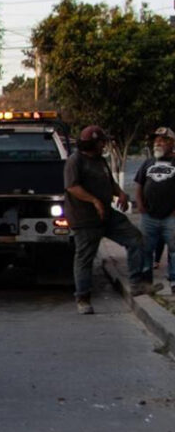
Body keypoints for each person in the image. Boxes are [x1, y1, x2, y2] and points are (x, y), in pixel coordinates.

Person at [65, 125, 149, 315]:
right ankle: (83, 298)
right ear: (94, 143)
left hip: (107, 216)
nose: (104, 145)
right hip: (85, 219)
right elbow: (72, 187)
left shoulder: (100, 160)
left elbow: (109, 182)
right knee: (84, 258)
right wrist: (94, 201)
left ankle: (136, 283)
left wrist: (120, 193)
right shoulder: (75, 161)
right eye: (102, 142)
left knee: (135, 238)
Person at [134, 126, 175, 289]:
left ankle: (173, 281)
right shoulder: (148, 163)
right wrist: (140, 205)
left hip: (171, 217)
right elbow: (138, 184)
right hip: (148, 216)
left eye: (162, 140)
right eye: (156, 140)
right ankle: (146, 282)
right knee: (145, 249)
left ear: (171, 143)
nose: (157, 143)